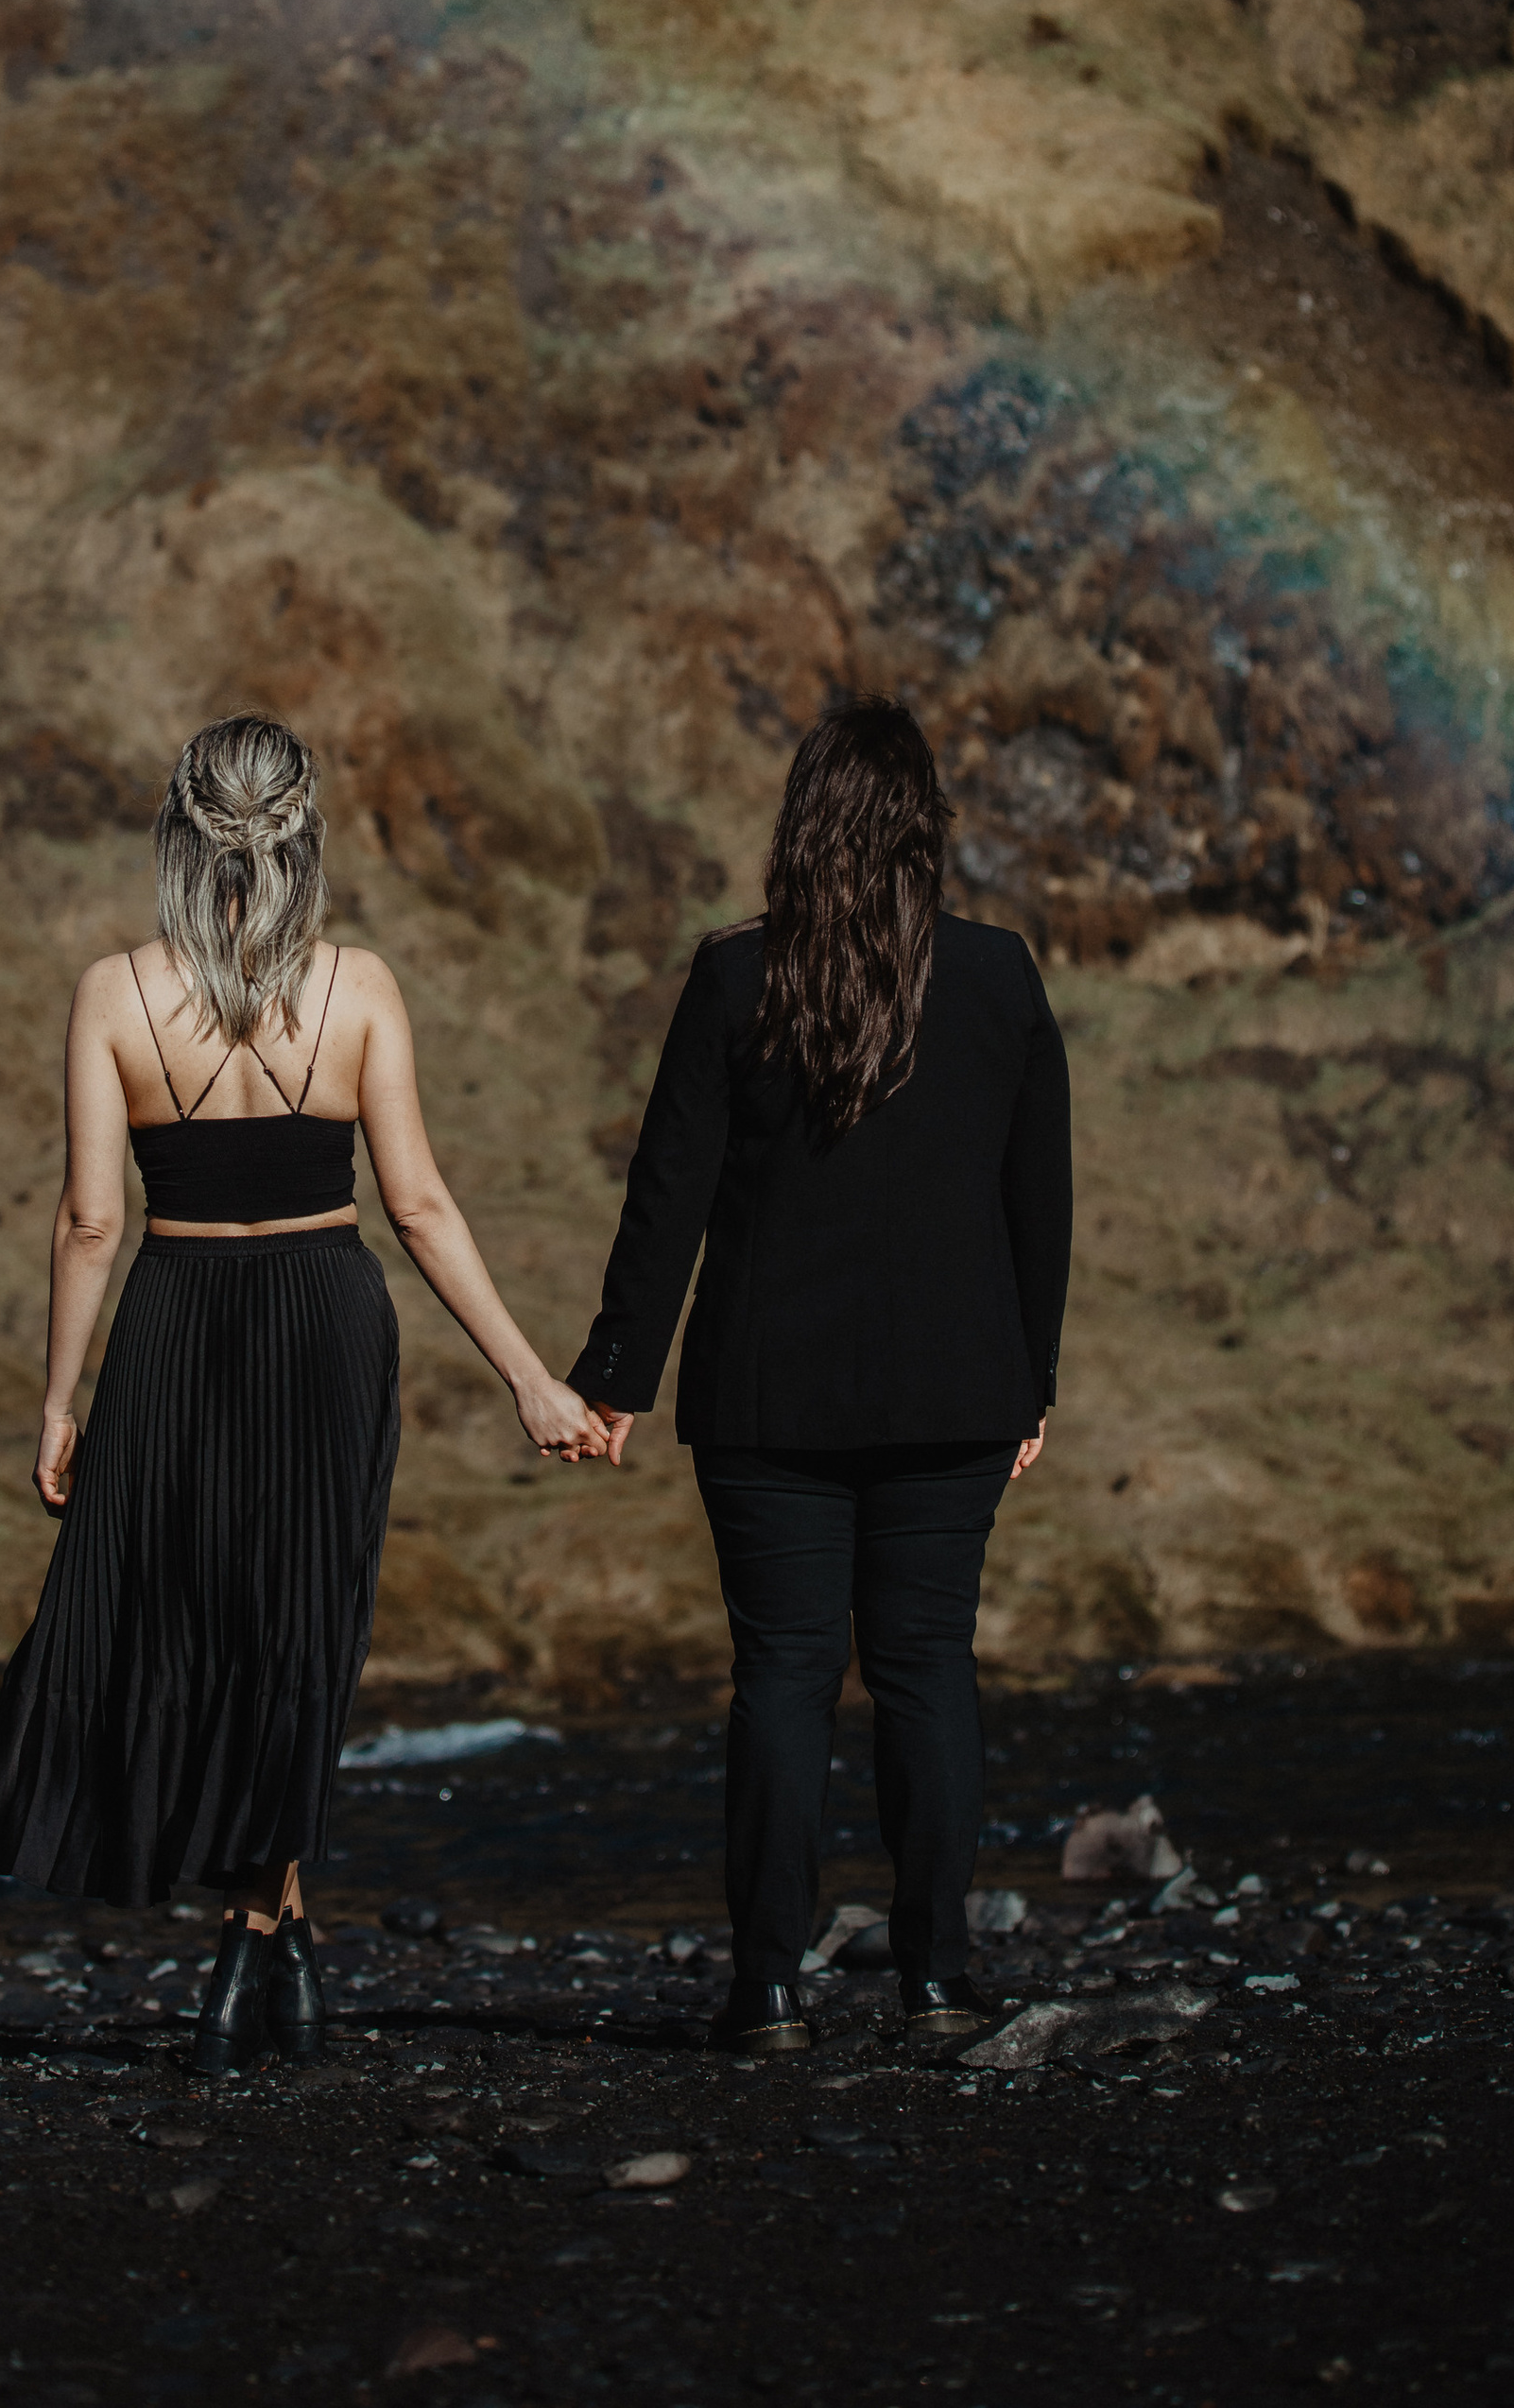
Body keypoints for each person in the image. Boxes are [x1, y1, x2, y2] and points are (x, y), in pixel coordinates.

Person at [0, 713, 607, 2073]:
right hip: (326, 1319)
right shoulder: (361, 988)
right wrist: (532, 1378)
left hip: (178, 1319)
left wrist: (58, 1400)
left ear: (180, 834)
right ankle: (277, 1934)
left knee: (188, 1624)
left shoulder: (111, 994)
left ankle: (253, 1934)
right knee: (301, 1628)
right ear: (305, 833)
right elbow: (418, 1207)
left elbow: (86, 1221)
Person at [568, 697, 1071, 2056]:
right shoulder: (1001, 976)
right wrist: (1033, 1383)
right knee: (925, 1667)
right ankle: (936, 1974)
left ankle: (770, 1988)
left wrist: (617, 1375)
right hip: (955, 1391)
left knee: (782, 1674)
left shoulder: (738, 978)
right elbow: (1043, 1207)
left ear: (803, 826)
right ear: (927, 831)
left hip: (765, 1396)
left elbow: (665, 1196)